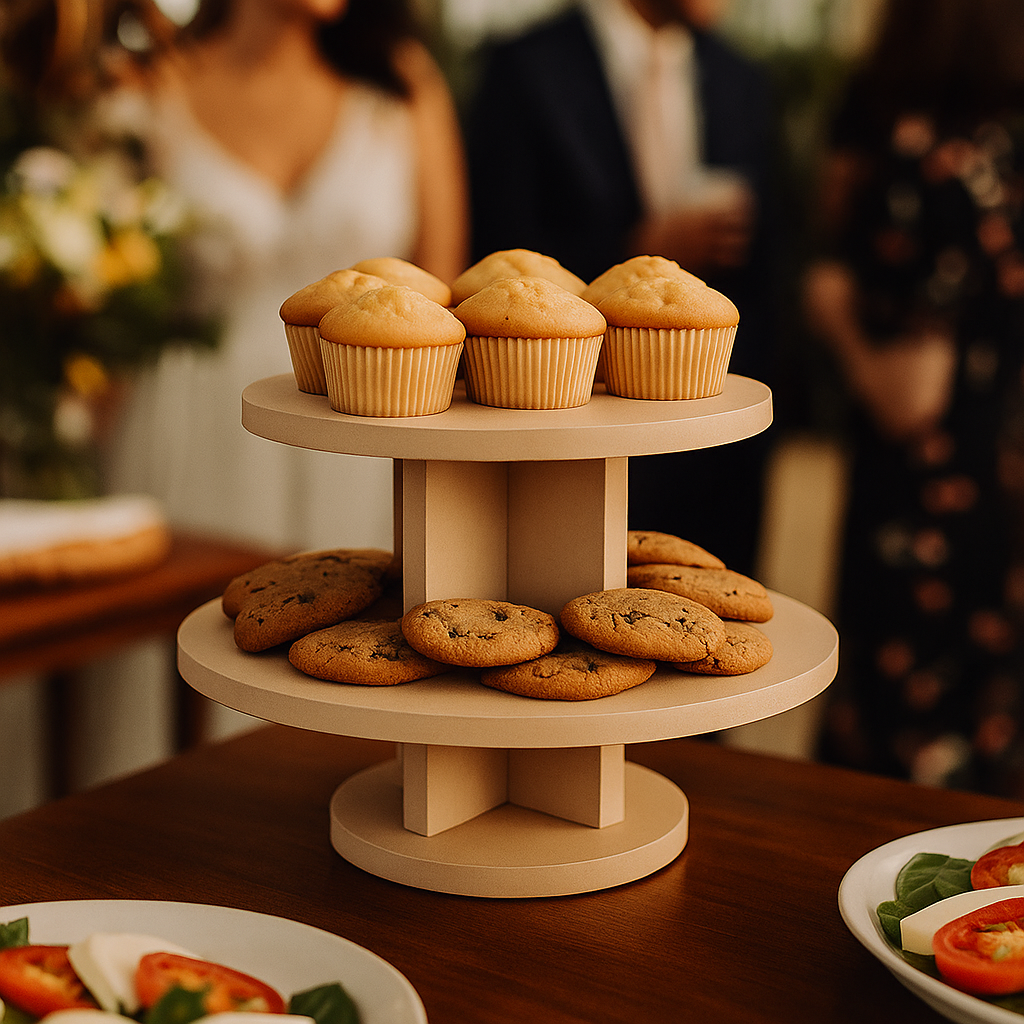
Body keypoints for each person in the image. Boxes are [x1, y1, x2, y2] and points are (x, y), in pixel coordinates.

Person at [104, 0, 469, 553]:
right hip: (196, 420)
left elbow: (441, 289)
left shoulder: (401, 84)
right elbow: (112, 293)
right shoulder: (152, 87)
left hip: (362, 412)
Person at [463, 0, 779, 575]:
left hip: (718, 444)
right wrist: (635, 248)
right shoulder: (524, 70)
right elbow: (495, 260)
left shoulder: (742, 78)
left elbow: (773, 261)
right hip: (573, 433)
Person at [804, 0, 1024, 794]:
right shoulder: (996, 154)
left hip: (916, 521)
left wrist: (834, 316)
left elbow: (909, 395)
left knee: (883, 788)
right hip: (987, 507)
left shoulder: (917, 162)